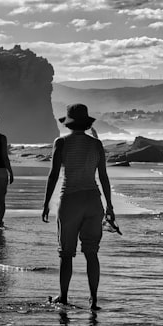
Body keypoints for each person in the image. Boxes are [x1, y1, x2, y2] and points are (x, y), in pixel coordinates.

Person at [41, 104, 115, 310]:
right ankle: (93, 299)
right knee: (92, 253)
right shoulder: (97, 144)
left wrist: (46, 202)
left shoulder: (61, 143)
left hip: (71, 199)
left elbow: (54, 174)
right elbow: (103, 177)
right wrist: (109, 205)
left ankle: (63, 297)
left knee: (66, 253)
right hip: (93, 200)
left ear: (69, 122)